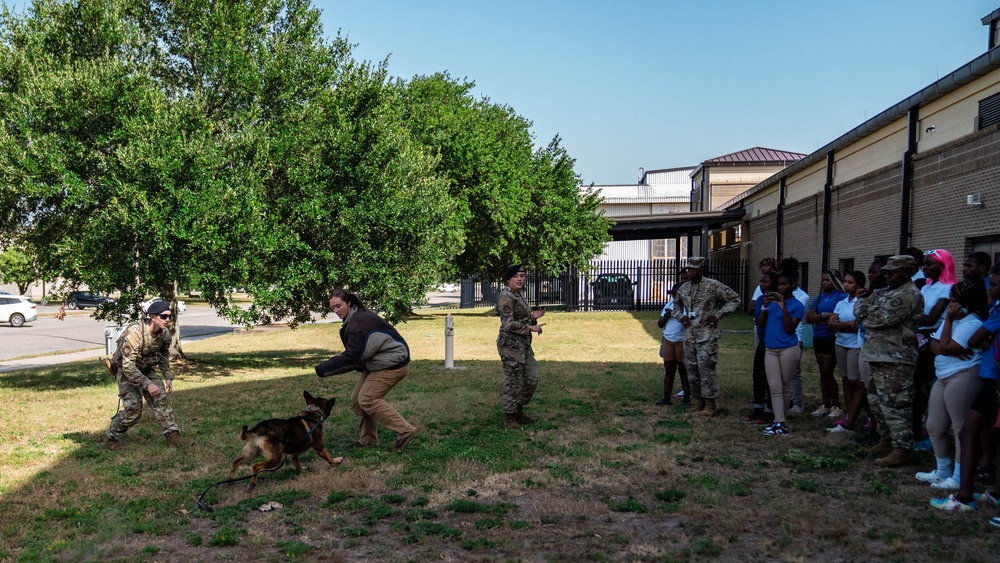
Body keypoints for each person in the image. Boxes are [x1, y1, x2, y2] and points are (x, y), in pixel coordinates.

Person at [931, 265, 1000, 511]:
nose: (989, 290)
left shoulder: (985, 316)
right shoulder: (993, 310)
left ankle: (964, 493)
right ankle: (991, 492)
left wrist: (950, 326)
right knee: (955, 428)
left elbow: (966, 343)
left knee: (967, 430)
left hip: (980, 378)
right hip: (983, 377)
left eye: (993, 285)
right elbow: (936, 344)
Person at [315, 289, 417, 450]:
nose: (335, 311)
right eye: (333, 308)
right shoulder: (356, 316)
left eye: (338, 306)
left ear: (349, 303)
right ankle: (368, 440)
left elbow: (353, 357)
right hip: (377, 363)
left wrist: (322, 369)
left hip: (393, 364)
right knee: (357, 400)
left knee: (367, 399)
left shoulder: (358, 323)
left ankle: (405, 431)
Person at [916, 280, 988, 490]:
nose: (952, 306)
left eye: (955, 302)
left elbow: (946, 347)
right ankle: (942, 470)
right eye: (951, 302)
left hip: (963, 376)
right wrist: (946, 337)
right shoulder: (954, 320)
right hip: (943, 375)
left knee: (960, 428)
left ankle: (958, 476)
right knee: (934, 425)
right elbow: (934, 345)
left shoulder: (973, 322)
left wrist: (947, 325)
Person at [854, 255, 924, 467]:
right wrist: (866, 306)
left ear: (907, 272)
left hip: (897, 358)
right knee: (877, 402)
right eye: (885, 271)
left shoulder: (908, 294)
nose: (886, 275)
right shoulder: (885, 291)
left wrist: (866, 307)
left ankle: (903, 448)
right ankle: (886, 440)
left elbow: (878, 319)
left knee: (896, 404)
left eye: (891, 272)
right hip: (878, 355)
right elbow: (859, 311)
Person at [104, 300, 193, 450]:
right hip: (127, 372)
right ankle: (111, 438)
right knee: (134, 409)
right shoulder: (136, 333)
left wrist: (168, 376)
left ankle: (173, 436)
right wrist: (148, 384)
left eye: (169, 317)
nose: (168, 320)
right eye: (164, 317)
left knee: (161, 400)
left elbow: (163, 355)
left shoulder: (164, 334)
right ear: (152, 316)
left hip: (145, 369)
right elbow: (128, 367)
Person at [672, 257, 742, 416]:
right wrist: (679, 316)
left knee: (706, 368)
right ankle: (698, 402)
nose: (690, 272)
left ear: (701, 271)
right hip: (690, 336)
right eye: (689, 269)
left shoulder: (713, 286)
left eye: (694, 270)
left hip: (707, 335)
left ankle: (710, 405)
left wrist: (718, 315)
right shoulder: (684, 288)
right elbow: (675, 305)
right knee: (691, 369)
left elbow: (734, 299)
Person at [913, 249, 958, 449]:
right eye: (923, 264)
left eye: (928, 264)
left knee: (927, 386)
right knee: (916, 387)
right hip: (918, 338)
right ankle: (917, 431)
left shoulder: (948, 288)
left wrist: (908, 315)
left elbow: (931, 318)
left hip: (934, 341)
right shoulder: (926, 287)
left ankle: (934, 434)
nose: (924, 268)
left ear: (942, 266)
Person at [493, 265, 545, 429]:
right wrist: (531, 328)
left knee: (532, 379)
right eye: (516, 276)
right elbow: (508, 323)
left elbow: (521, 318)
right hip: (510, 345)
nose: (520, 279)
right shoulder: (505, 296)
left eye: (522, 275)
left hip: (523, 345)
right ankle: (510, 418)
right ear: (508, 279)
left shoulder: (519, 294)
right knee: (513, 381)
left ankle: (518, 410)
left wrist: (532, 317)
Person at [758, 270, 805, 435]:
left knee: (785, 385)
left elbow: (790, 328)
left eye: (784, 284)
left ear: (792, 284)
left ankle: (781, 421)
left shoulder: (797, 305)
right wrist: (764, 306)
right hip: (770, 349)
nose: (781, 287)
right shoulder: (771, 302)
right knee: (775, 386)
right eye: (779, 284)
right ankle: (778, 421)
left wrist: (783, 308)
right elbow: (761, 323)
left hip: (788, 349)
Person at [827, 270, 873, 433]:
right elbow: (831, 324)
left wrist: (842, 325)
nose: (846, 285)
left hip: (855, 345)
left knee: (856, 382)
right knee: (846, 379)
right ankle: (849, 413)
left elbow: (858, 326)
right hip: (840, 343)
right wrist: (847, 325)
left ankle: (868, 415)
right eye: (845, 281)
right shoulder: (842, 302)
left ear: (859, 284)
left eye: (850, 282)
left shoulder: (862, 302)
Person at [805, 269, 848, 418]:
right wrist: (824, 315)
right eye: (823, 280)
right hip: (818, 337)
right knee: (822, 372)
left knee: (827, 371)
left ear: (835, 281)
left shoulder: (842, 297)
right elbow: (809, 318)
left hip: (832, 338)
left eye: (828, 280)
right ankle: (825, 404)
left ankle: (836, 405)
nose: (824, 283)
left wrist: (823, 319)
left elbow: (837, 319)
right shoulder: (819, 297)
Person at [746, 271, 780, 425]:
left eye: (765, 282)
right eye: (761, 281)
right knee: (758, 376)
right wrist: (765, 305)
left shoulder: (782, 301)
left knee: (771, 380)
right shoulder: (760, 300)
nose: (762, 284)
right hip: (763, 342)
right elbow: (760, 321)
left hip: (776, 344)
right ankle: (758, 409)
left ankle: (771, 411)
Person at [778, 257, 810, 415]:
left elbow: (791, 317)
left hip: (794, 337)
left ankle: (797, 402)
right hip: (777, 337)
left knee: (794, 372)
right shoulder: (776, 294)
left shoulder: (801, 297)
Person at [657, 284, 689, 406]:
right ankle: (666, 398)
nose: (674, 296)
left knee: (683, 369)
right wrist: (666, 316)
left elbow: (689, 323)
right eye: (673, 294)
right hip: (668, 339)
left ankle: (686, 397)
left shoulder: (687, 307)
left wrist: (679, 315)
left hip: (681, 340)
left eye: (677, 294)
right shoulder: (669, 305)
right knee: (669, 369)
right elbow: (660, 324)